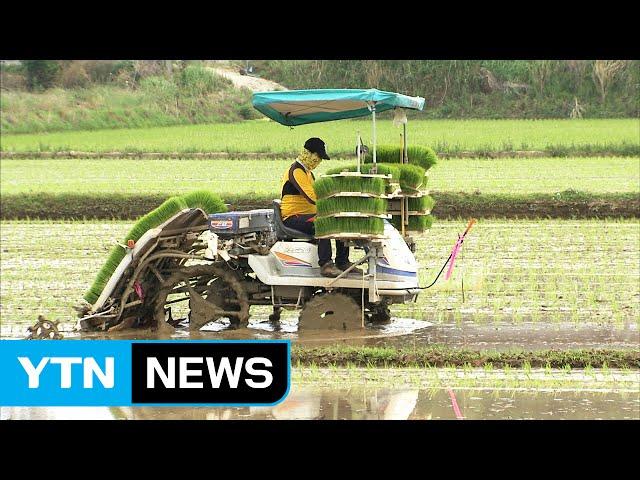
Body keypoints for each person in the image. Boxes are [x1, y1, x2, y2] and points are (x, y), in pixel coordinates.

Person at [280, 137, 357, 278]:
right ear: (308, 153)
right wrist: (332, 200)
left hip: (307, 216)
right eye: (318, 157)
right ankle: (326, 264)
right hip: (293, 217)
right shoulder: (296, 171)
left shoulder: (308, 173)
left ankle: (342, 261)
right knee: (323, 223)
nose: (318, 161)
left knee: (337, 221)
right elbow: (311, 196)